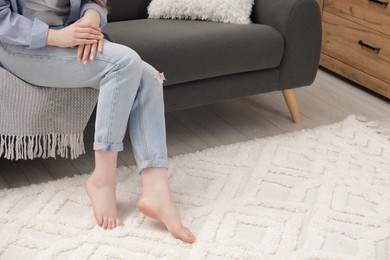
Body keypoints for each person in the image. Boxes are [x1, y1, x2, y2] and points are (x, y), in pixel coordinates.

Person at [0, 0, 195, 243]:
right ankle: (102, 180)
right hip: (21, 46)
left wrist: (91, 18)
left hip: (73, 32)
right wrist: (56, 37)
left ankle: (157, 189)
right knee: (124, 63)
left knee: (149, 77)